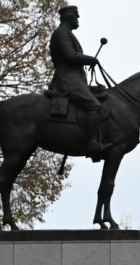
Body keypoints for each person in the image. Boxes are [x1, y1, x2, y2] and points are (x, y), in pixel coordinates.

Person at [48, 4, 108, 161]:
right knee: (94, 105)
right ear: (69, 17)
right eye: (76, 15)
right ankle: (93, 144)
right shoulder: (62, 34)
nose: (78, 18)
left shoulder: (66, 33)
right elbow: (70, 56)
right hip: (67, 81)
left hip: (74, 79)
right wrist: (91, 59)